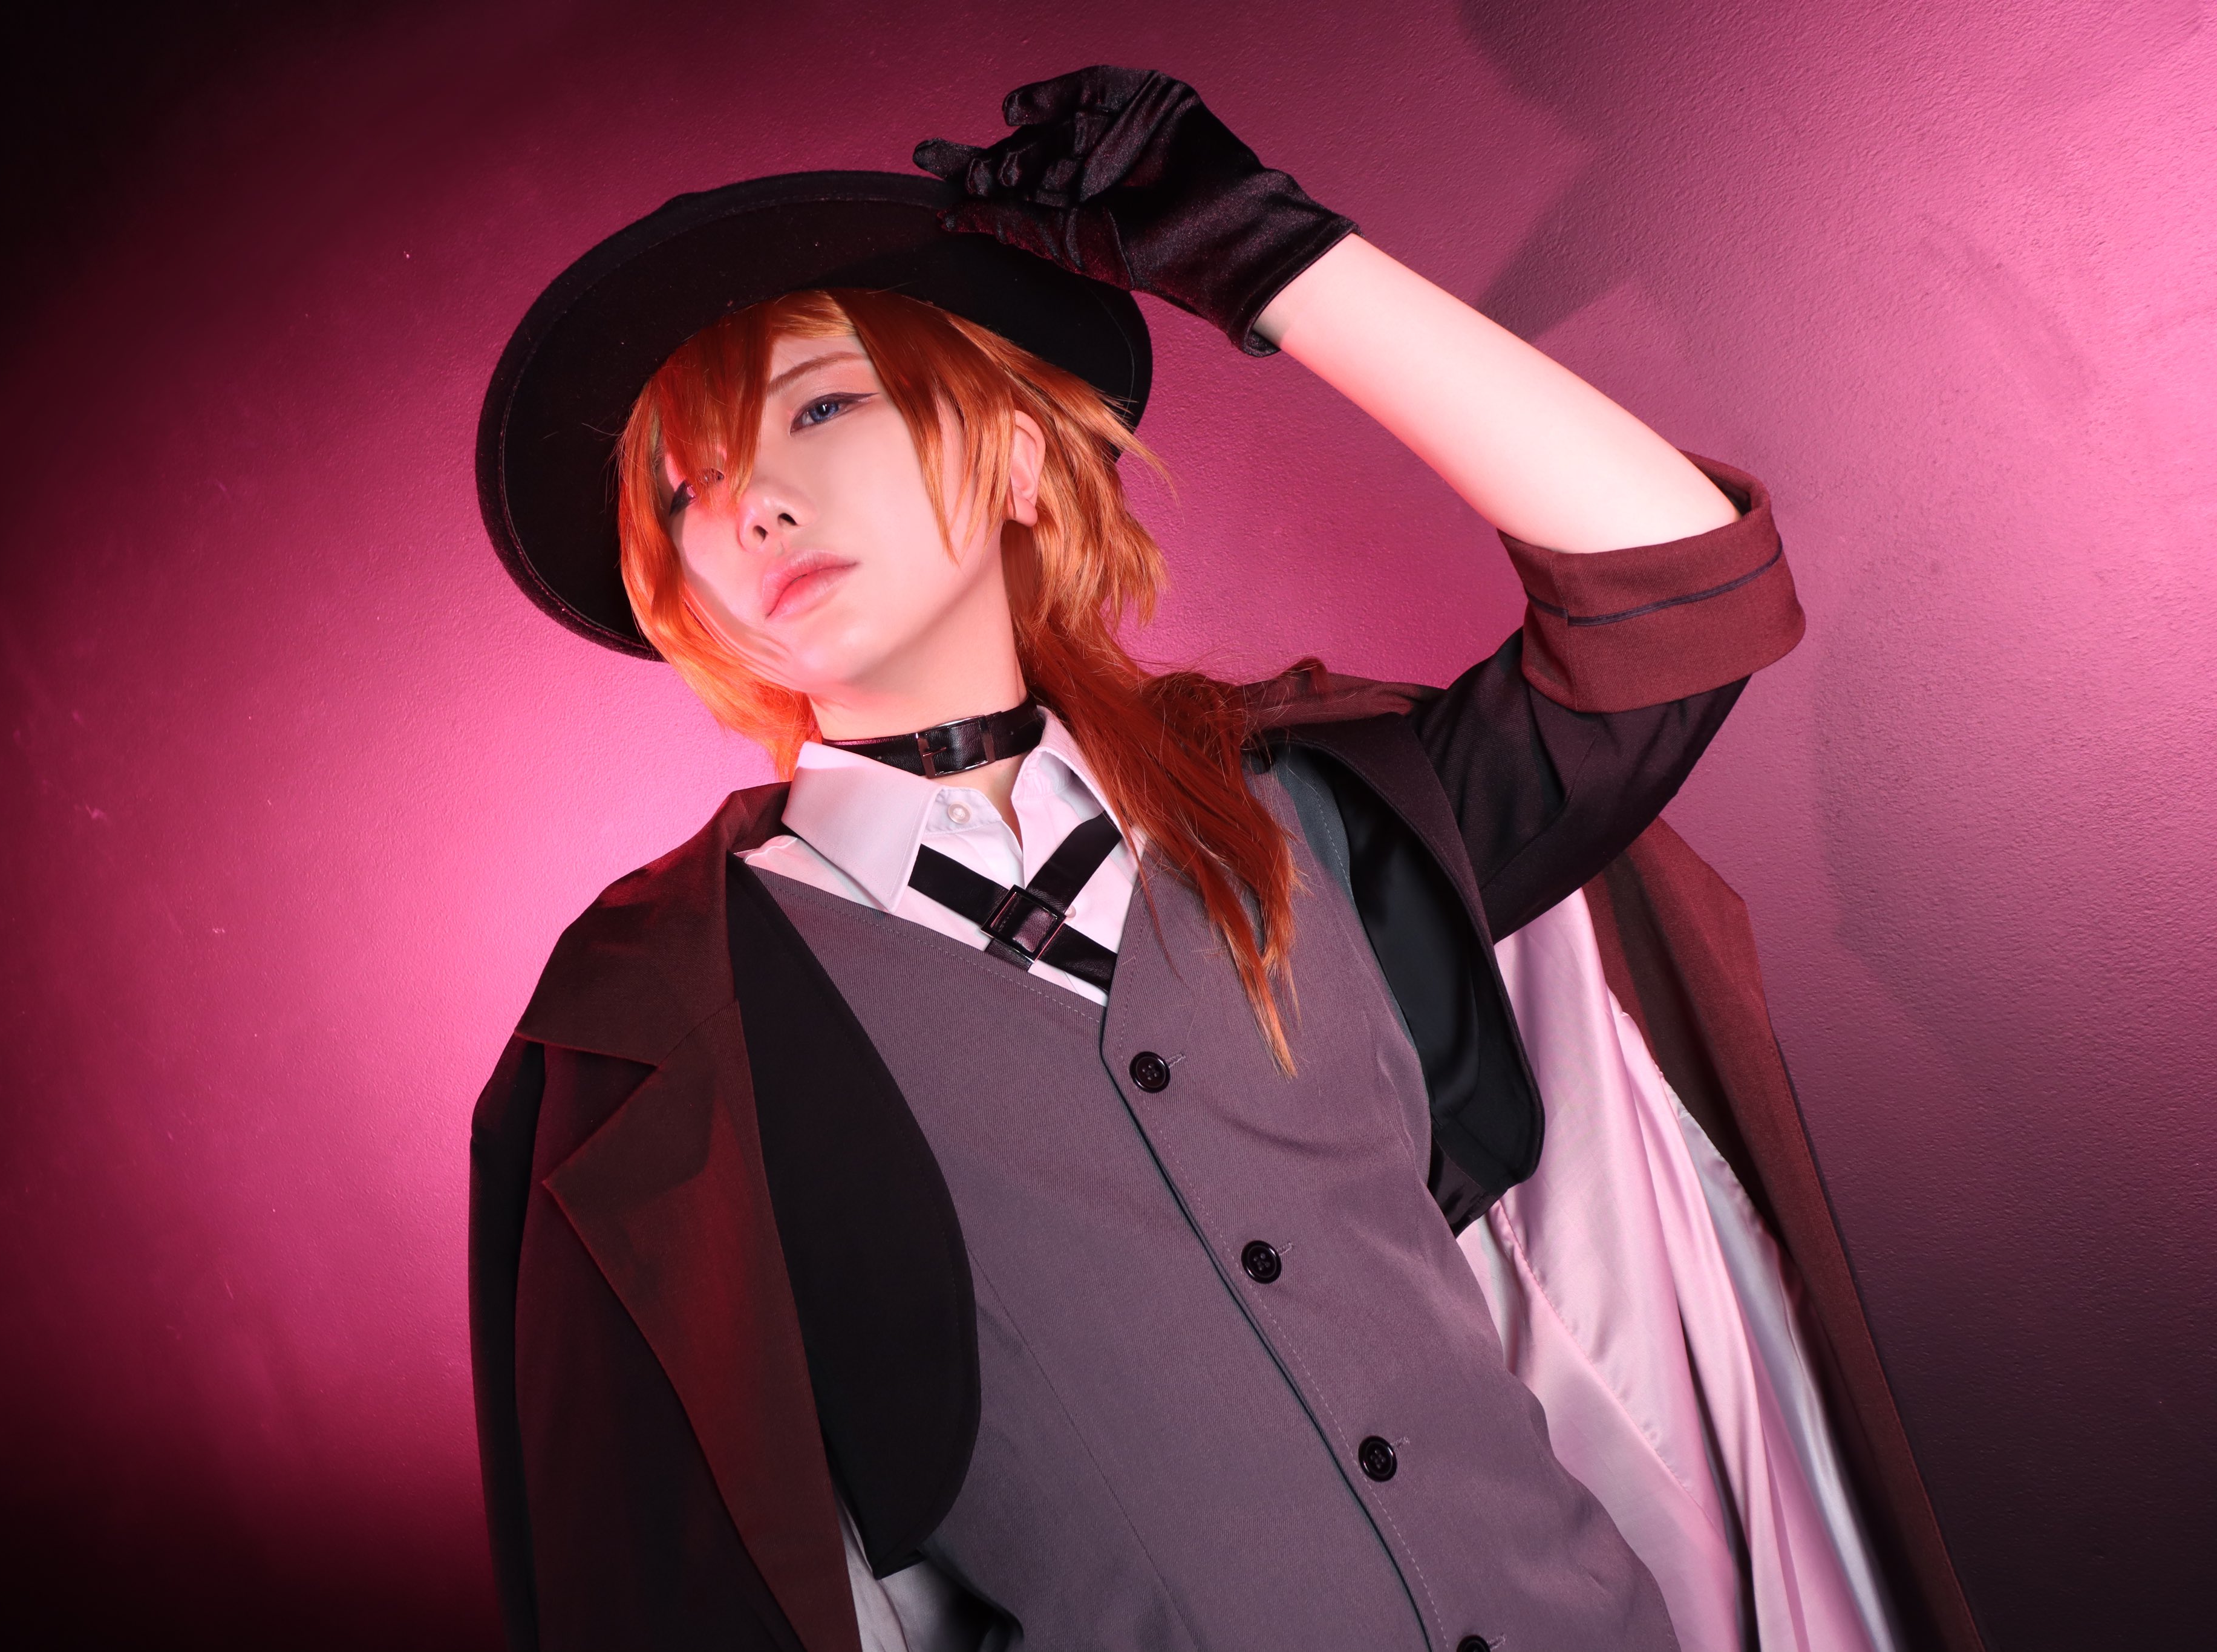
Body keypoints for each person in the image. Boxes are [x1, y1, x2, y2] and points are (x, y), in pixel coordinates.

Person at [468, 67, 1979, 1652]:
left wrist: (1275, 261)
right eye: (685, 489)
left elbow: (1680, 590)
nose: (755, 506)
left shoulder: (1317, 818)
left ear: (1021, 460)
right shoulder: (659, 1040)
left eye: (822, 406)